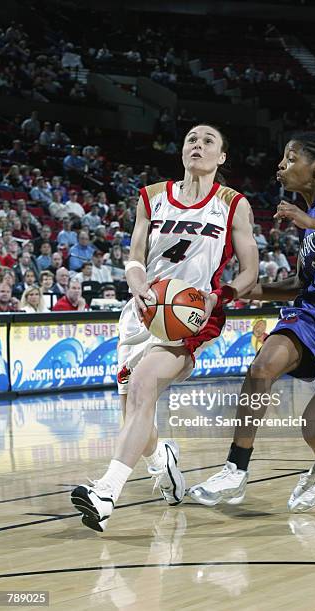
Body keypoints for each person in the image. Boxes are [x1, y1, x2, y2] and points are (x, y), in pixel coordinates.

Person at [189, 131, 315, 513]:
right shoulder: (310, 217)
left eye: (290, 158)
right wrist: (237, 291)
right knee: (262, 366)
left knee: (314, 428)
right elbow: (300, 285)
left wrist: (312, 222)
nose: (280, 165)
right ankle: (235, 470)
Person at [71, 124, 259, 531]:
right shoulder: (152, 196)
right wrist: (137, 283)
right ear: (182, 150)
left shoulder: (232, 204)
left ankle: (106, 493)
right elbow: (135, 253)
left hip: (190, 315)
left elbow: (250, 271)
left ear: (221, 157)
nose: (199, 144)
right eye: (192, 138)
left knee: (142, 387)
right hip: (142, 311)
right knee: (134, 417)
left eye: (209, 141)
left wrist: (219, 296)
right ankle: (164, 463)